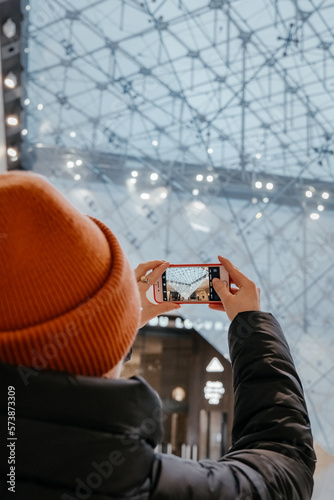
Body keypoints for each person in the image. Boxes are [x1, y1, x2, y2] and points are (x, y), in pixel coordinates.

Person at [0, 171, 316, 499]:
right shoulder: (139, 485)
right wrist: (253, 327)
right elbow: (284, 465)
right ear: (108, 340)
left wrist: (114, 320)